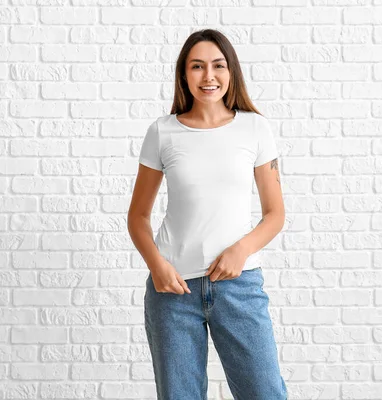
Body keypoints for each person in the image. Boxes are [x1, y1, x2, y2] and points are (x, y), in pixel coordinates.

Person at [127, 28, 288, 400]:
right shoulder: (162, 132)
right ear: (184, 74)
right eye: (197, 66)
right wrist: (157, 266)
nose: (208, 76)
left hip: (239, 286)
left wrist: (241, 250)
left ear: (231, 72)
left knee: (265, 393)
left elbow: (275, 213)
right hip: (173, 291)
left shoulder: (255, 127)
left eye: (218, 65)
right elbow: (138, 216)